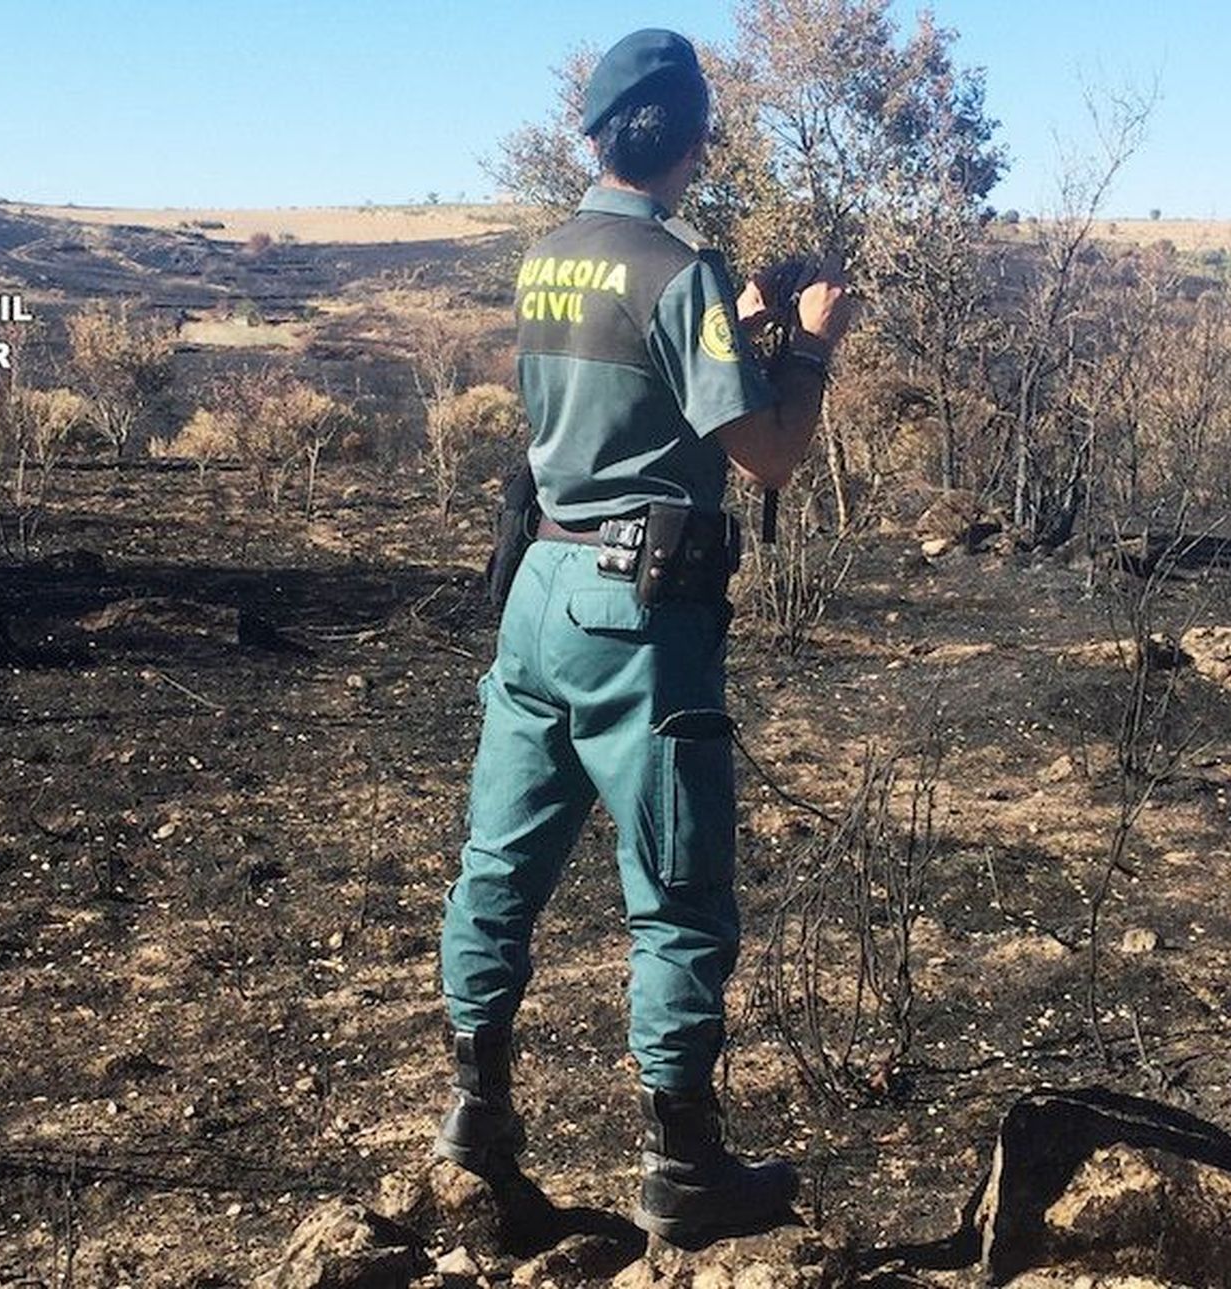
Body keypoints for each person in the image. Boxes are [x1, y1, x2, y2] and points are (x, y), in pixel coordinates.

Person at [434, 28, 854, 1244]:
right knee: (677, 889)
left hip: (539, 592)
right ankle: (682, 1163)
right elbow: (766, 453)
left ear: (599, 133)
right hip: (638, 617)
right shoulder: (680, 270)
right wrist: (811, 342)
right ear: (683, 136)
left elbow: (628, 382)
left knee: (500, 866)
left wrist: (738, 318)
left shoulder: (550, 256)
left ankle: (476, 1117)